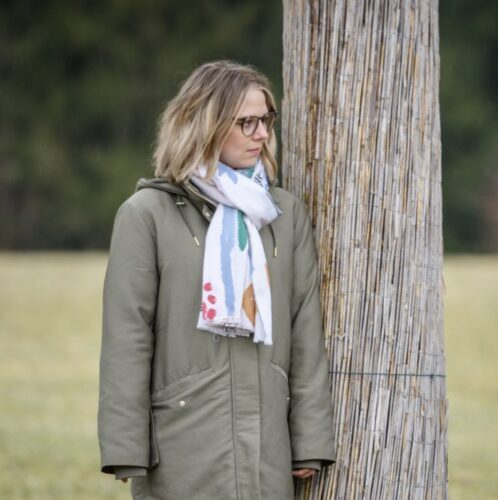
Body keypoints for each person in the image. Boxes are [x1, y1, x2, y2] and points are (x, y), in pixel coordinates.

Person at [98, 60, 336, 499]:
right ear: (205, 124)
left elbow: (305, 329)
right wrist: (125, 447)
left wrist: (310, 441)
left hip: (266, 444)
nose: (261, 134)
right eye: (246, 122)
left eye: (265, 120)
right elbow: (127, 336)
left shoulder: (283, 215)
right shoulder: (146, 214)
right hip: (182, 444)